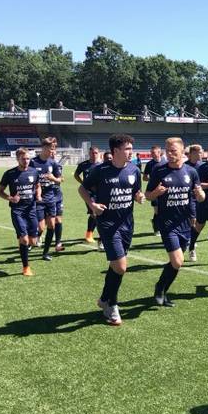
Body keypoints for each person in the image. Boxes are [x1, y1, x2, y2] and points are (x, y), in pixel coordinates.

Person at [79, 134, 144, 325]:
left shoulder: (134, 169)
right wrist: (92, 205)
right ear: (116, 151)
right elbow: (82, 189)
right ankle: (112, 305)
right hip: (107, 224)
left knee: (116, 265)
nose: (131, 152)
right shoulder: (101, 171)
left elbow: (136, 192)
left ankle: (104, 299)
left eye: (131, 148)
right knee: (121, 266)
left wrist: (139, 197)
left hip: (127, 224)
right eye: (127, 149)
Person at [145, 137, 205, 307]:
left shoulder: (191, 172)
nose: (170, 154)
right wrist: (156, 192)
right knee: (177, 261)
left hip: (185, 223)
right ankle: (160, 288)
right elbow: (147, 195)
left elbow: (200, 196)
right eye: (167, 151)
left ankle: (162, 289)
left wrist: (200, 195)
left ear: (182, 151)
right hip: (167, 223)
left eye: (173, 151)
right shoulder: (159, 170)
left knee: (175, 263)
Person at [0, 148, 41, 276]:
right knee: (25, 240)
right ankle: (26, 267)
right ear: (17, 159)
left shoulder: (34, 172)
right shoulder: (9, 174)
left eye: (28, 159)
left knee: (33, 242)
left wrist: (38, 195)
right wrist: (10, 198)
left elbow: (37, 186)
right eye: (23, 159)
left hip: (31, 209)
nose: (26, 161)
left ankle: (22, 243)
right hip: (17, 211)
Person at [31, 137, 63, 260]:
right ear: (43, 148)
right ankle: (32, 239)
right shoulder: (33, 162)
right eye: (50, 148)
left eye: (54, 148)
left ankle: (45, 253)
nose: (52, 151)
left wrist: (53, 179)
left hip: (50, 198)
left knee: (51, 226)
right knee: (40, 227)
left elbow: (59, 180)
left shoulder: (53, 163)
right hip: (37, 199)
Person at [74, 146, 101, 243]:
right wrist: (83, 184)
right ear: (89, 153)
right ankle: (97, 237)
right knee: (94, 213)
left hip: (100, 193)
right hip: (88, 193)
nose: (94, 155)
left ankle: (90, 234)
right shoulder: (83, 165)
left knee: (98, 214)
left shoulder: (101, 165)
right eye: (92, 153)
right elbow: (76, 175)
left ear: (99, 153)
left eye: (96, 153)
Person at [185, 144, 204, 260]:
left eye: (202, 152)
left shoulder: (202, 166)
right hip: (187, 198)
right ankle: (191, 245)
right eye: (199, 152)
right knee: (192, 221)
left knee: (196, 222)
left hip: (201, 198)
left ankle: (191, 241)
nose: (201, 154)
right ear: (192, 154)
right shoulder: (184, 166)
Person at [142, 145, 165, 236]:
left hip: (164, 190)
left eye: (153, 152)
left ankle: (161, 226)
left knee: (163, 210)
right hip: (152, 190)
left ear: (159, 152)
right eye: (151, 152)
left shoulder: (165, 162)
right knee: (157, 210)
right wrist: (152, 179)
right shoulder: (149, 164)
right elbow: (144, 178)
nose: (152, 154)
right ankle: (156, 229)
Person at [50, 147, 65, 252]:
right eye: (51, 153)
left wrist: (56, 179)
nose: (53, 155)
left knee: (58, 219)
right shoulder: (39, 165)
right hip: (45, 196)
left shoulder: (58, 166)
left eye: (54, 154)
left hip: (57, 195)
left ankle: (58, 243)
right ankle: (36, 237)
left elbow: (60, 179)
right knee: (44, 223)